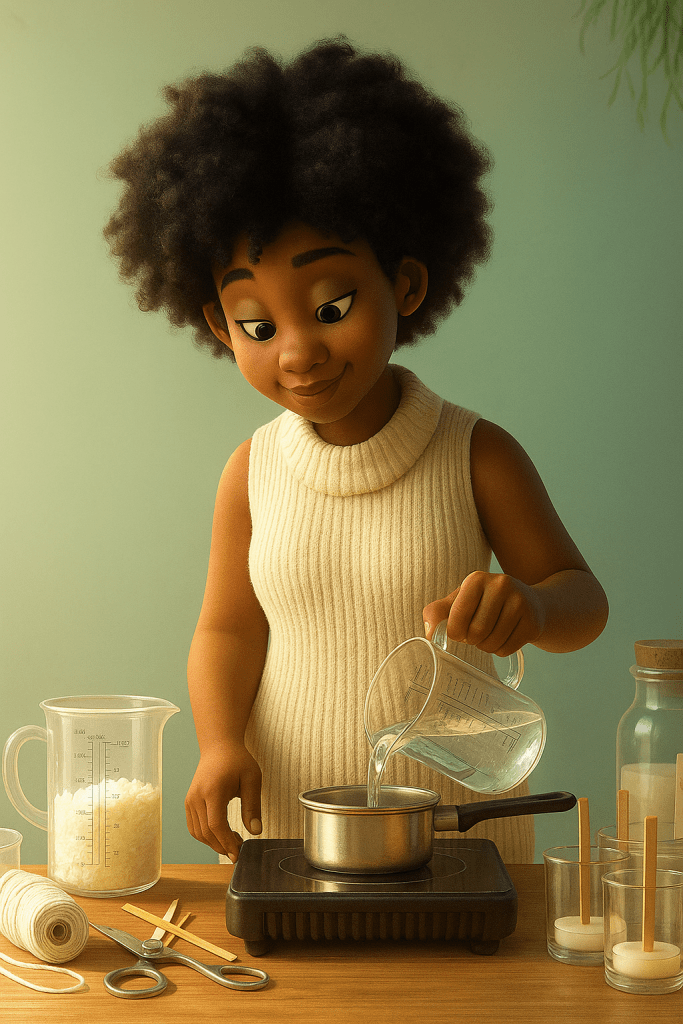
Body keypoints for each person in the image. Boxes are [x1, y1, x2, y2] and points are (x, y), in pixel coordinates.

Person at [103, 38, 608, 865]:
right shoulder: (251, 472)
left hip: (458, 840)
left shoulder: (476, 454)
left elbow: (580, 600)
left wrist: (533, 608)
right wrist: (221, 742)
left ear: (404, 286)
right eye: (259, 326)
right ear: (219, 328)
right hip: (299, 835)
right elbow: (228, 632)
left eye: (332, 304)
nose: (296, 350)